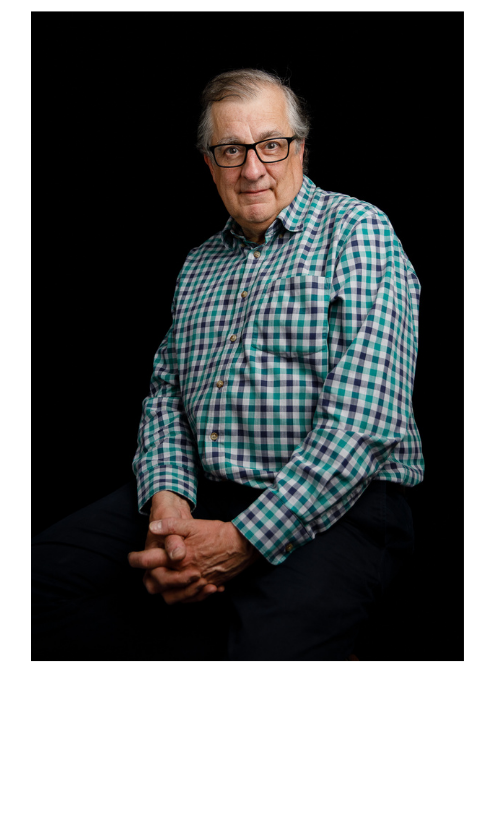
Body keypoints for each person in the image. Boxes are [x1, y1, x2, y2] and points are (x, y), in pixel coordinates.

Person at [28, 69, 421, 660]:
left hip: (344, 505)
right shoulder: (199, 264)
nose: (253, 169)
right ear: (210, 165)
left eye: (271, 144)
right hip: (209, 495)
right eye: (231, 151)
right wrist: (167, 506)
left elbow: (364, 421)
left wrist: (243, 541)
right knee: (45, 578)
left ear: (300, 149)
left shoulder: (358, 231)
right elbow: (165, 395)